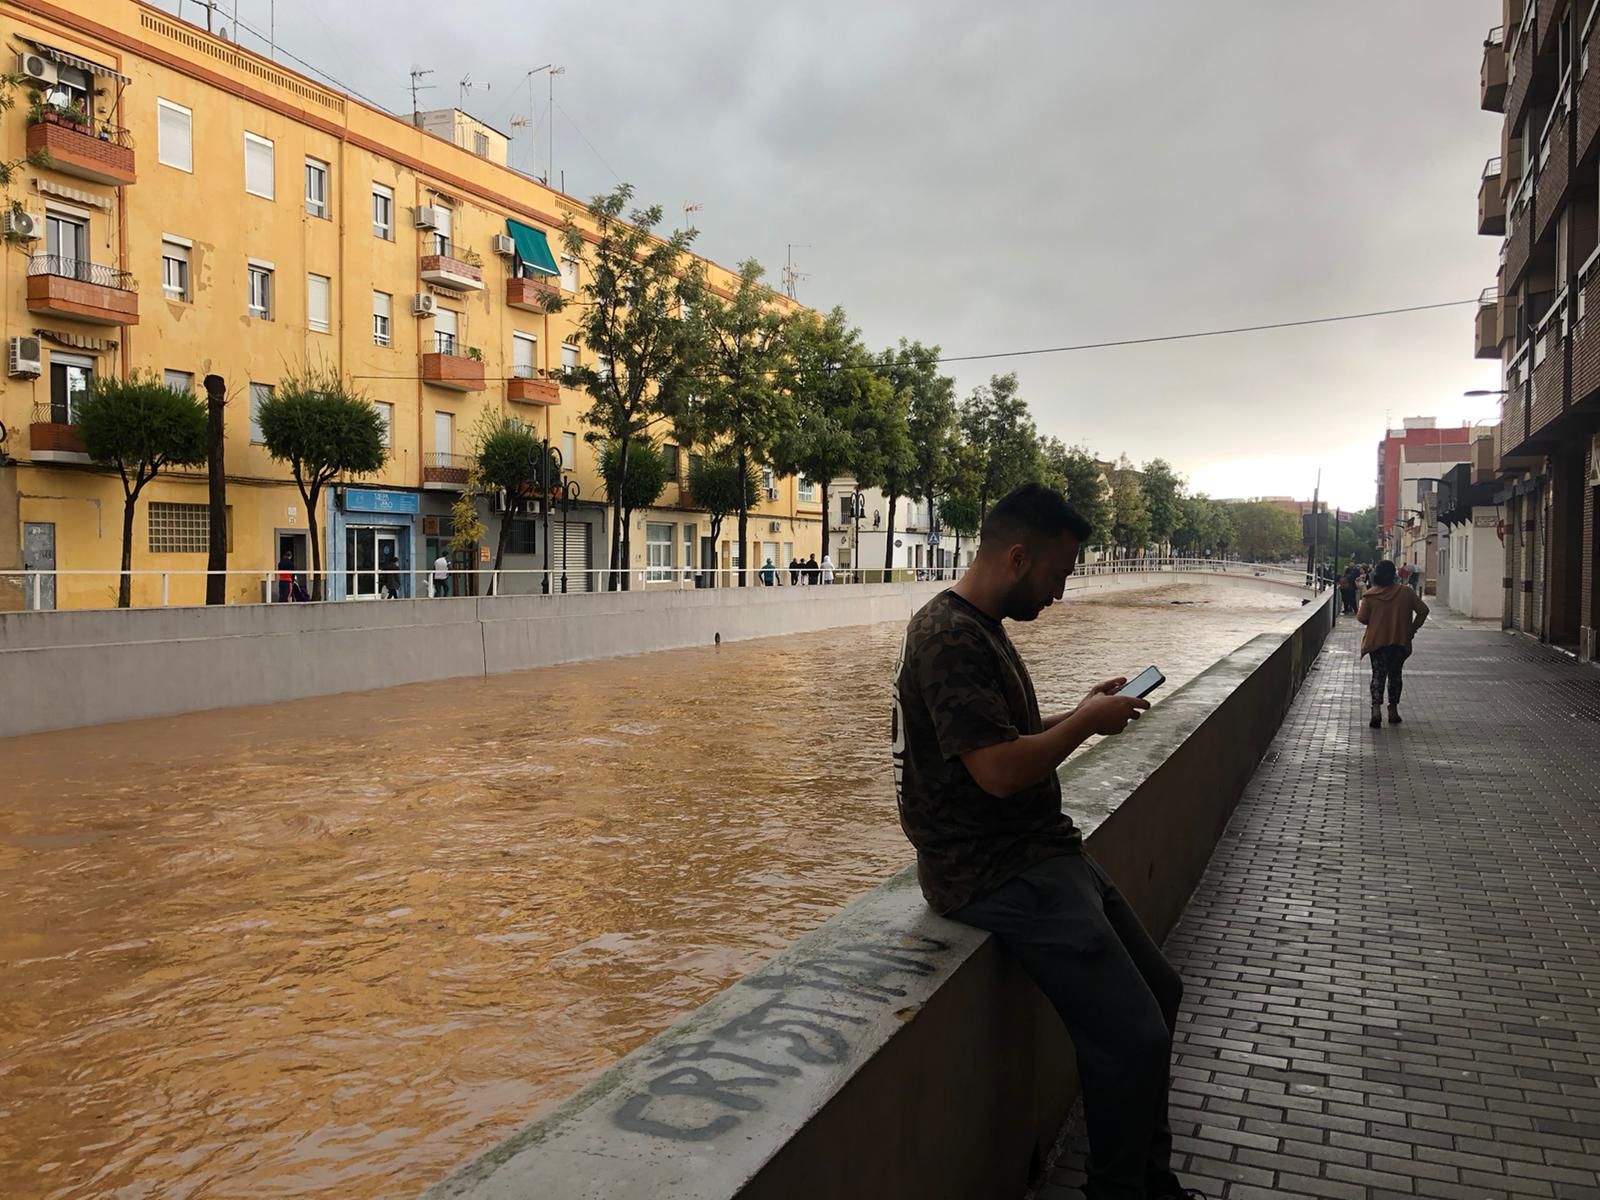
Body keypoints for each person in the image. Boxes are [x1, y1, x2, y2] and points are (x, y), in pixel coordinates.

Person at [892, 483, 1196, 1200]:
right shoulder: (949, 638)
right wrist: (1089, 725)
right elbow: (998, 772)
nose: (1060, 594)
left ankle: (1150, 1181)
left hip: (1037, 853)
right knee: (1134, 1036)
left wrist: (1083, 708)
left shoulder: (979, 628)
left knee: (1162, 991)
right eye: (1058, 575)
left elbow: (1001, 739)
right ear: (1018, 556)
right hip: (991, 870)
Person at [1357, 558, 1429, 729]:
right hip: (1399, 641)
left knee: (1378, 676)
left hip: (1377, 642)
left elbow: (1362, 618)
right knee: (1395, 676)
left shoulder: (1370, 596)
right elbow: (1423, 610)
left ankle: (1376, 710)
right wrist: (1411, 629)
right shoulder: (1406, 593)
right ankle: (1393, 710)